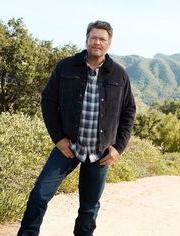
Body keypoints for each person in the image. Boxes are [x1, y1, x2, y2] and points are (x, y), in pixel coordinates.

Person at [17, 20, 136, 236]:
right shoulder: (66, 67)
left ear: (109, 44)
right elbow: (48, 101)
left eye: (102, 39)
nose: (97, 42)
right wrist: (58, 138)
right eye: (94, 38)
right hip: (68, 147)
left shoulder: (119, 74)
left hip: (100, 152)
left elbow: (128, 112)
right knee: (40, 195)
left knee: (89, 209)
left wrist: (118, 147)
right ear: (87, 39)